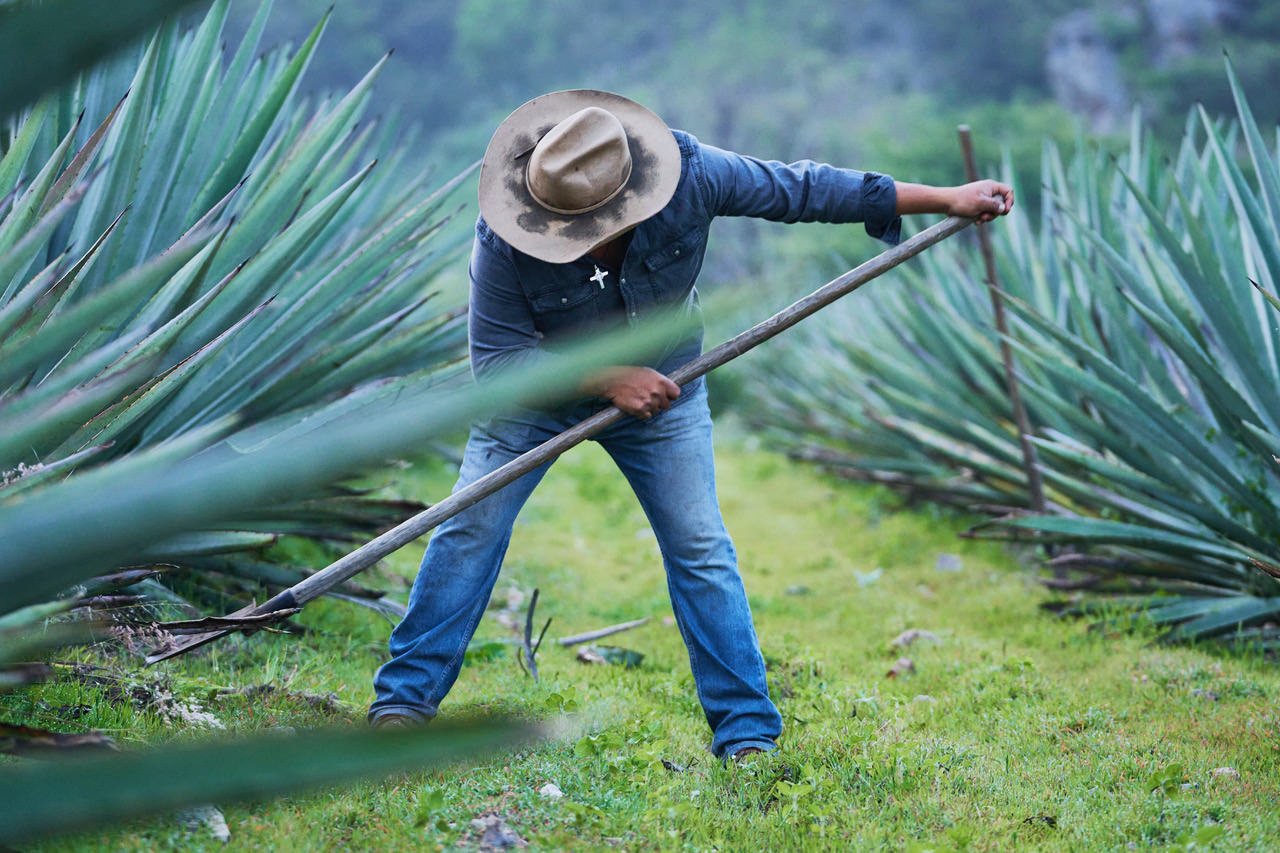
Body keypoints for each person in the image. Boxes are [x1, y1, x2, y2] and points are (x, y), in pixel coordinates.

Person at [368, 90, 1012, 760]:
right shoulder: (504, 234)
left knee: (699, 544)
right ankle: (404, 701)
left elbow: (803, 189)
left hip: (664, 387)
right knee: (468, 526)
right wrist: (605, 379)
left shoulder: (690, 172)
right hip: (533, 394)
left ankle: (746, 731)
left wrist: (945, 198)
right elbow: (498, 362)